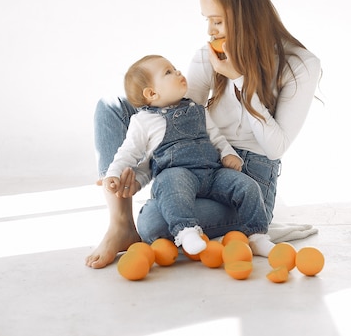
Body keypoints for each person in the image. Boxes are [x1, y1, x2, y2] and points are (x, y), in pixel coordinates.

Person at [86, 0, 321, 269]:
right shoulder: (207, 56)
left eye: (218, 21)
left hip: (249, 177)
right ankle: (120, 223)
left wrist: (239, 80)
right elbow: (180, 124)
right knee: (111, 105)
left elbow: (275, 147)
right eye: (207, 20)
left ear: (246, 19)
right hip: (198, 162)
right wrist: (139, 171)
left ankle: (197, 218)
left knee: (155, 224)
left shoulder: (300, 64)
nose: (210, 31)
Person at [101, 54, 273, 256]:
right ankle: (186, 231)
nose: (178, 72)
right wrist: (112, 174)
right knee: (172, 187)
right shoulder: (144, 121)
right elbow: (127, 152)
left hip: (212, 173)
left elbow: (216, 138)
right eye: (168, 72)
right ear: (152, 93)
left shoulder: (197, 109)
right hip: (177, 175)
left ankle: (257, 235)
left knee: (247, 186)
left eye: (174, 68)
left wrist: (228, 154)